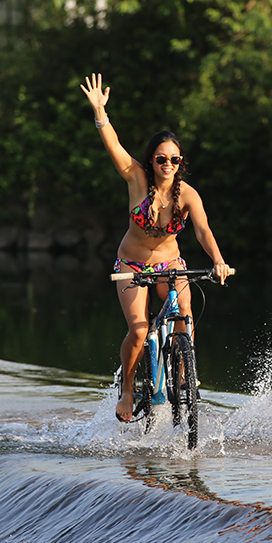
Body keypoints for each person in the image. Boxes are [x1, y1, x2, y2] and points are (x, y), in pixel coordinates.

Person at [80, 73, 231, 423]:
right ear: (152, 160)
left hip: (169, 264)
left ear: (181, 163)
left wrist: (219, 261)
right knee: (139, 330)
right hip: (131, 266)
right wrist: (101, 113)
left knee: (184, 313)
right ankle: (129, 389)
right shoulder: (136, 178)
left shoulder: (189, 194)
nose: (168, 165)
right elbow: (114, 146)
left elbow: (204, 231)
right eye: (162, 159)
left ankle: (183, 371)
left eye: (174, 160)